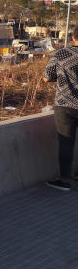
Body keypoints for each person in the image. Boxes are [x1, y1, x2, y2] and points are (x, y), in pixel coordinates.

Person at [43, 29, 78, 191]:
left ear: (73, 37)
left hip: (65, 105)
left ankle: (64, 180)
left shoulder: (61, 54)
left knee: (66, 142)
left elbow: (47, 77)